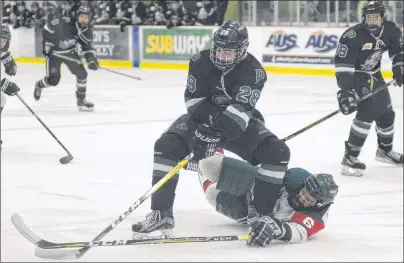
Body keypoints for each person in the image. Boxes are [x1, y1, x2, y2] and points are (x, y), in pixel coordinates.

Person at [131, 21, 291, 239]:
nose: (221, 57)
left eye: (228, 52)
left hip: (239, 124)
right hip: (203, 118)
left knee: (277, 151)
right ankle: (161, 213)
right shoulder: (199, 61)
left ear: (242, 50)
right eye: (219, 50)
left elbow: (239, 114)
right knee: (166, 145)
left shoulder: (254, 72)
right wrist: (206, 130)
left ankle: (261, 215)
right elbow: (194, 101)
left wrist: (213, 134)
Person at [198, 153, 338, 247]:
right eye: (304, 191)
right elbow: (270, 177)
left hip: (250, 212)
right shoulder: (297, 177)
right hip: (255, 184)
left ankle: (203, 174)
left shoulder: (316, 218)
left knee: (211, 194)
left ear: (319, 204)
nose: (302, 196)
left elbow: (298, 232)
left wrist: (278, 229)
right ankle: (206, 151)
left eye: (308, 198)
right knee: (209, 164)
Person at [334, 0, 403, 177]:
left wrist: (399, 68)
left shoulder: (392, 30)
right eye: (369, 17)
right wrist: (346, 92)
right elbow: (343, 67)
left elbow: (398, 52)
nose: (372, 21)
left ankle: (384, 151)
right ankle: (350, 156)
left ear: (382, 17)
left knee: (387, 114)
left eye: (376, 17)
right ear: (364, 17)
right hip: (356, 76)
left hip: (375, 74)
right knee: (368, 111)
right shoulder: (352, 35)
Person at [33, 5, 98, 111]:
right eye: (81, 16)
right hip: (55, 54)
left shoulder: (87, 31)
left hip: (70, 53)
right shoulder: (65, 22)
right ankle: (39, 85)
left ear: (89, 18)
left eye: (86, 17)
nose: (83, 19)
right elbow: (47, 28)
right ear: (77, 16)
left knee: (82, 74)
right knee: (53, 80)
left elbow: (87, 47)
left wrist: (91, 60)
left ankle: (81, 100)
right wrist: (47, 44)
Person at [1, 23, 21, 149]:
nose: (0, 43)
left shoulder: (2, 51)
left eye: (3, 40)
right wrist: (2, 84)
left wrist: (11, 66)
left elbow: (12, 69)